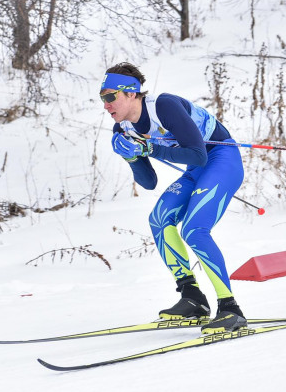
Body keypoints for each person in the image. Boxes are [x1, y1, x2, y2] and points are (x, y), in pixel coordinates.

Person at [100, 62, 247, 334]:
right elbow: (149, 182)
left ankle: (230, 308)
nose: (106, 104)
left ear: (131, 93)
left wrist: (150, 147)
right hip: (196, 169)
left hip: (220, 158)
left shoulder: (163, 106)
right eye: (102, 98)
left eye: (110, 96)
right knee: (159, 219)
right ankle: (193, 298)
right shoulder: (122, 129)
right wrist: (131, 156)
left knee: (194, 229)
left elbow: (199, 154)